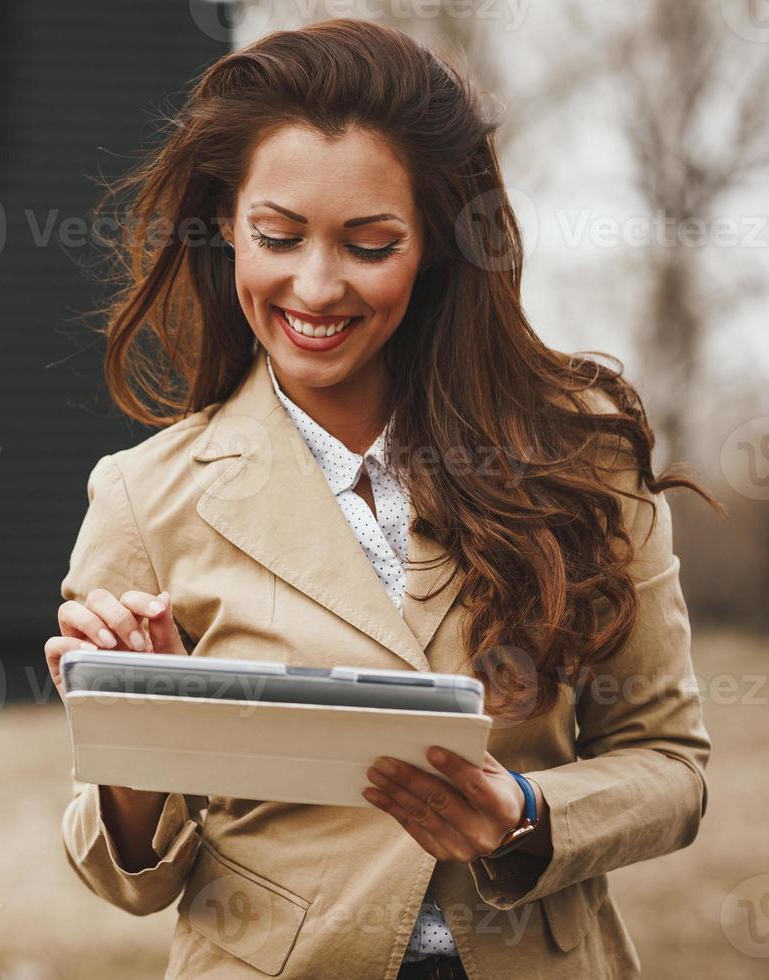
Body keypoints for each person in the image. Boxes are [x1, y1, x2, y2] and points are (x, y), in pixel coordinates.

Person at [44, 18, 719, 980]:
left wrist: (526, 815)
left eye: (370, 245)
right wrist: (138, 725)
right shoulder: (145, 496)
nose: (315, 287)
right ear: (228, 224)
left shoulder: (579, 456)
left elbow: (673, 768)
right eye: (278, 236)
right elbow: (126, 877)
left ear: (438, 245)